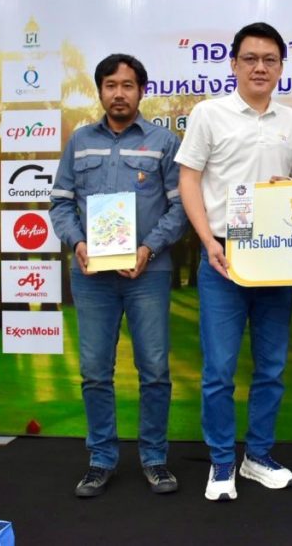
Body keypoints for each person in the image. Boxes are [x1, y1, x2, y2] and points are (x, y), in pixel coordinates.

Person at [175, 22, 292, 502]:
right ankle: (221, 462)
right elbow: (188, 179)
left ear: (281, 67)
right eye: (250, 58)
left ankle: (258, 457)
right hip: (223, 256)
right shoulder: (209, 114)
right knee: (219, 370)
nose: (260, 67)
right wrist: (206, 242)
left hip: (276, 258)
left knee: (271, 367)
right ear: (233, 64)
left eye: (269, 59)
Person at [50, 53, 188, 498]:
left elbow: (180, 207)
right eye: (110, 85)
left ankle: (155, 459)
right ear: (100, 91)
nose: (119, 94)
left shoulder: (163, 142)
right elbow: (60, 203)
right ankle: (100, 460)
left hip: (148, 273)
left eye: (128, 85)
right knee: (94, 372)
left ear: (141, 91)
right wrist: (77, 243)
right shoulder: (80, 142)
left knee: (154, 371)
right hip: (92, 277)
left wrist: (149, 249)